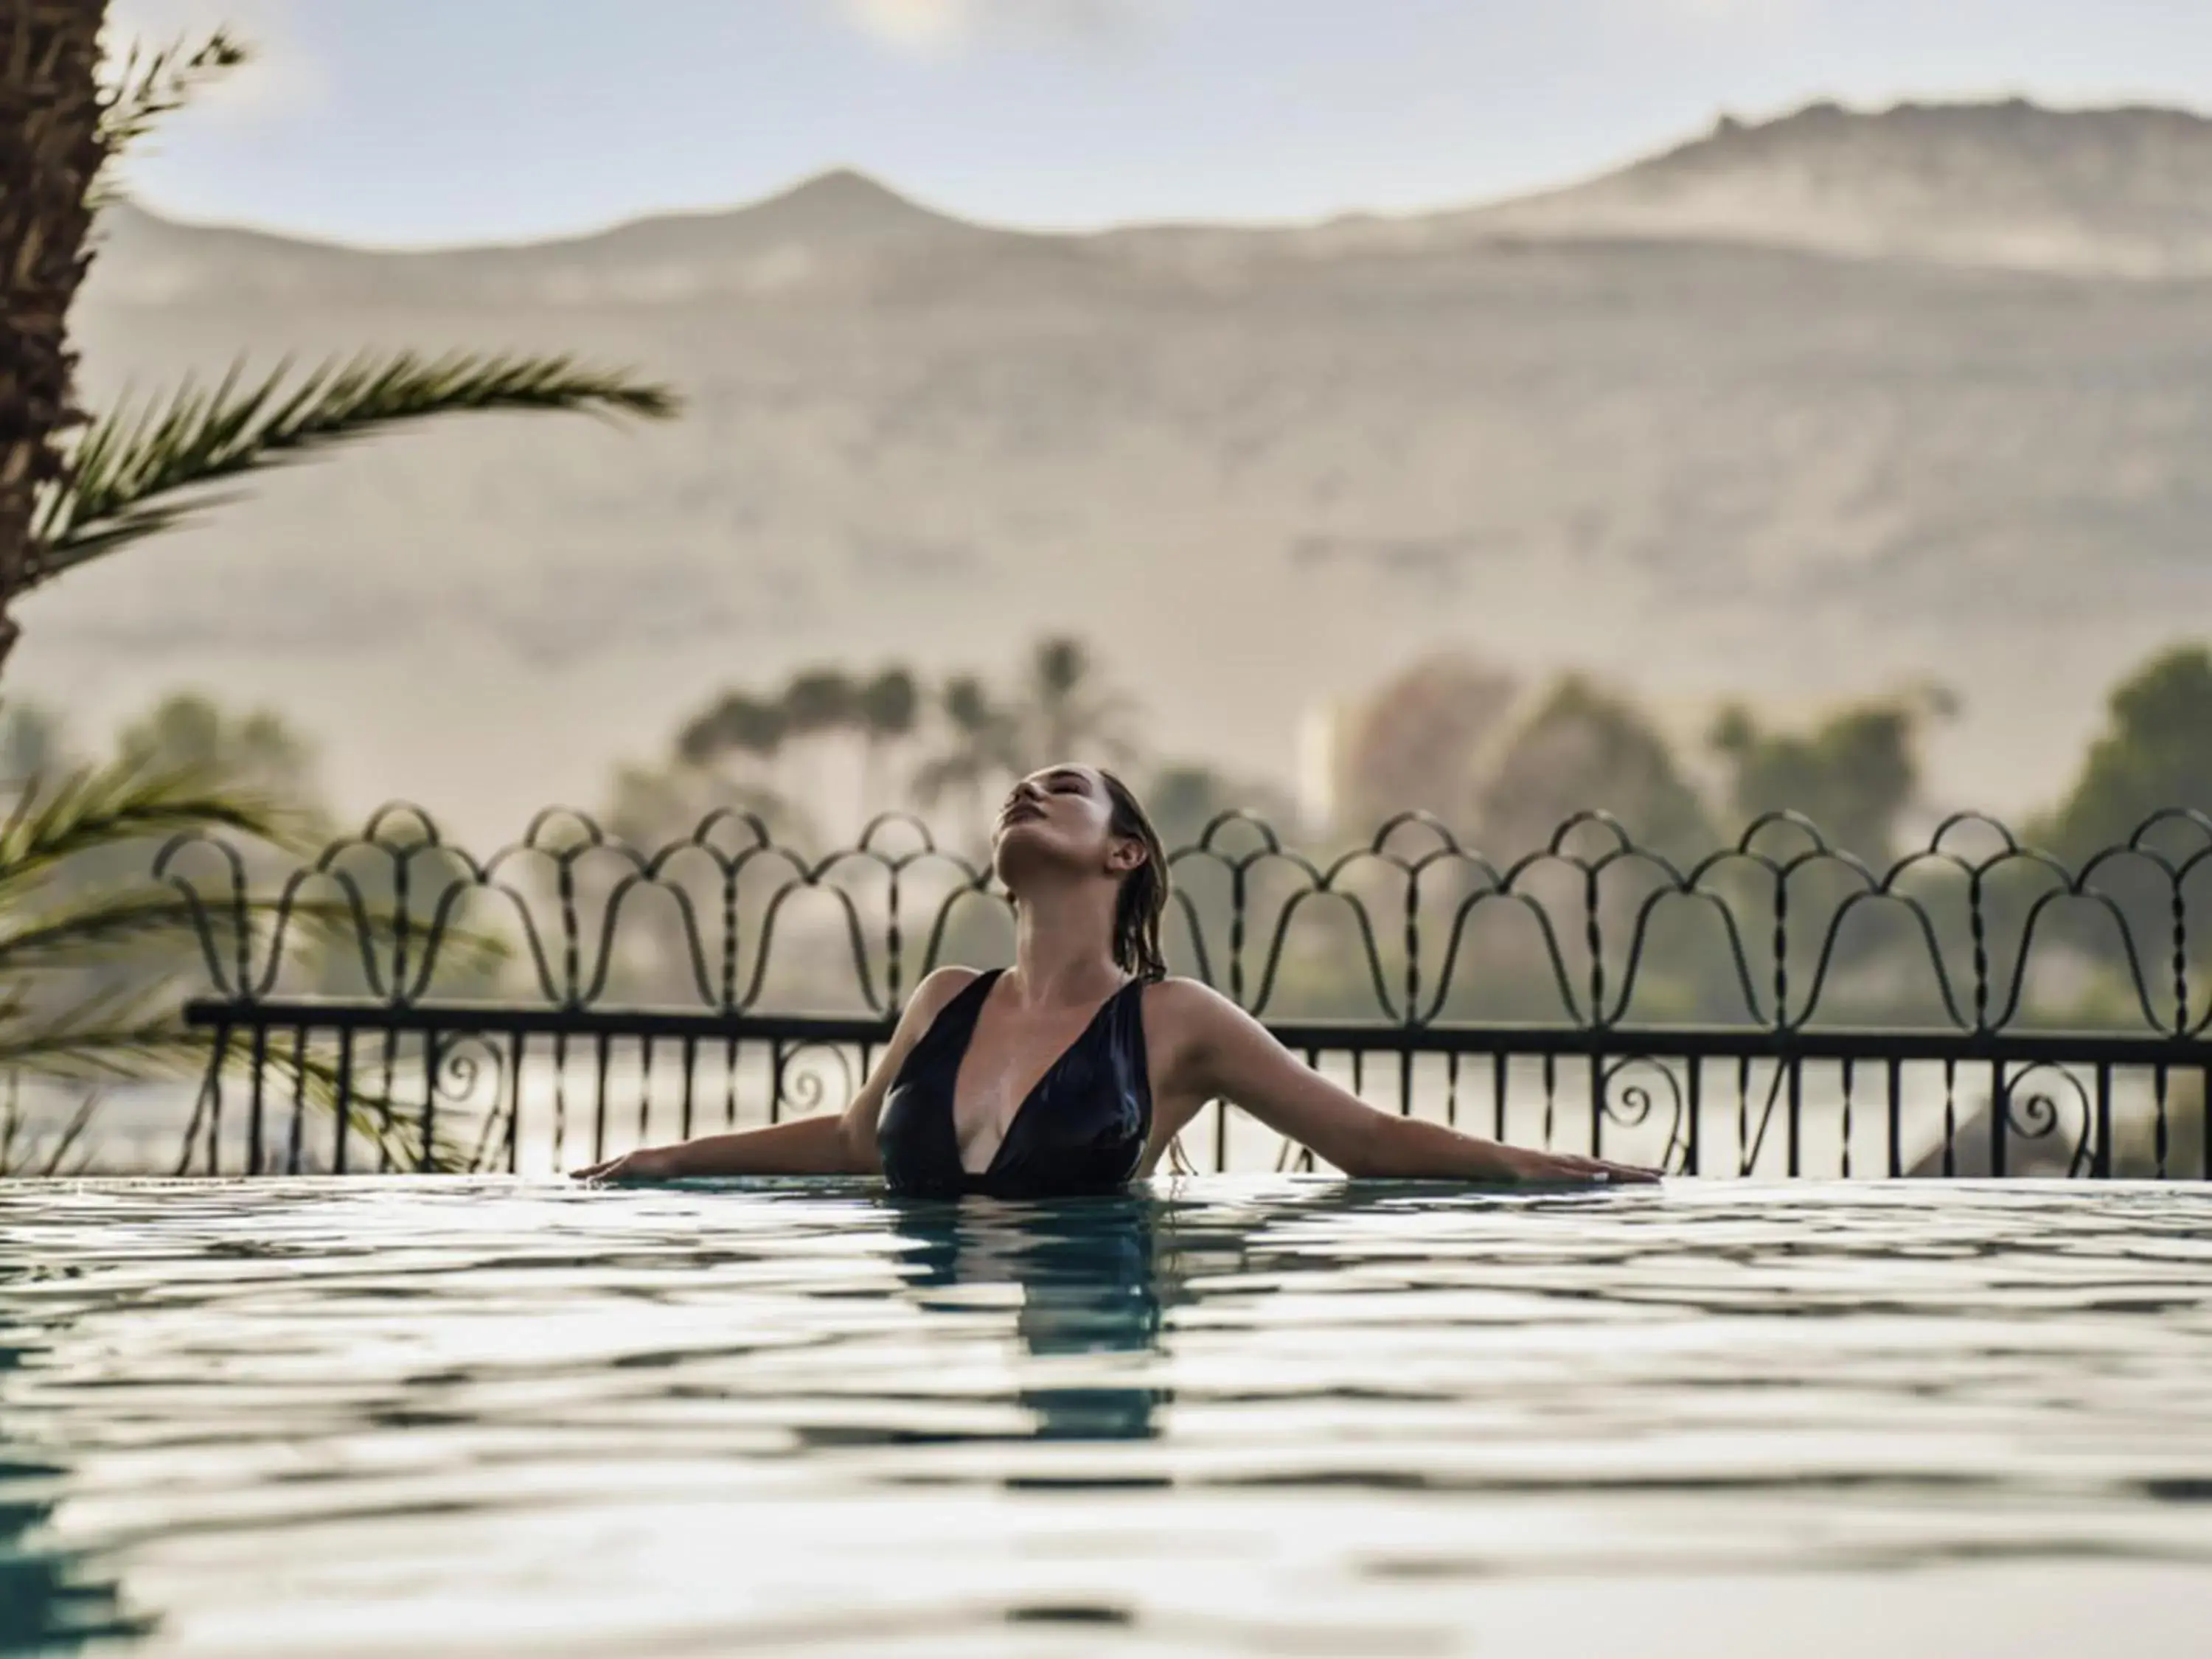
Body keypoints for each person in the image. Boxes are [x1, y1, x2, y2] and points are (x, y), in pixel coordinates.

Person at [571, 764, 1660, 1196]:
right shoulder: (945, 998)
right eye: (1018, 791)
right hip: (926, 1359)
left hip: (1097, 1325)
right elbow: (854, 1141)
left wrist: (1547, 1170)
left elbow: (1364, 1141)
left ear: (1124, 851)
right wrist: (673, 1158)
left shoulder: (1175, 1018)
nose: (1024, 792)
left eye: (1061, 789)